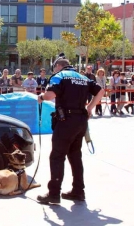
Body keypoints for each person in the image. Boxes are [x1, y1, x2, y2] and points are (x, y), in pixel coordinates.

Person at [36, 54, 103, 204]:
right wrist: (90, 108)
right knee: (75, 157)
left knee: (57, 156)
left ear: (58, 66)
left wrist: (41, 96)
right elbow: (101, 91)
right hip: (81, 121)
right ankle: (78, 191)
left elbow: (50, 95)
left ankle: (54, 194)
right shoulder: (84, 77)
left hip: (66, 121)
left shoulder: (59, 76)